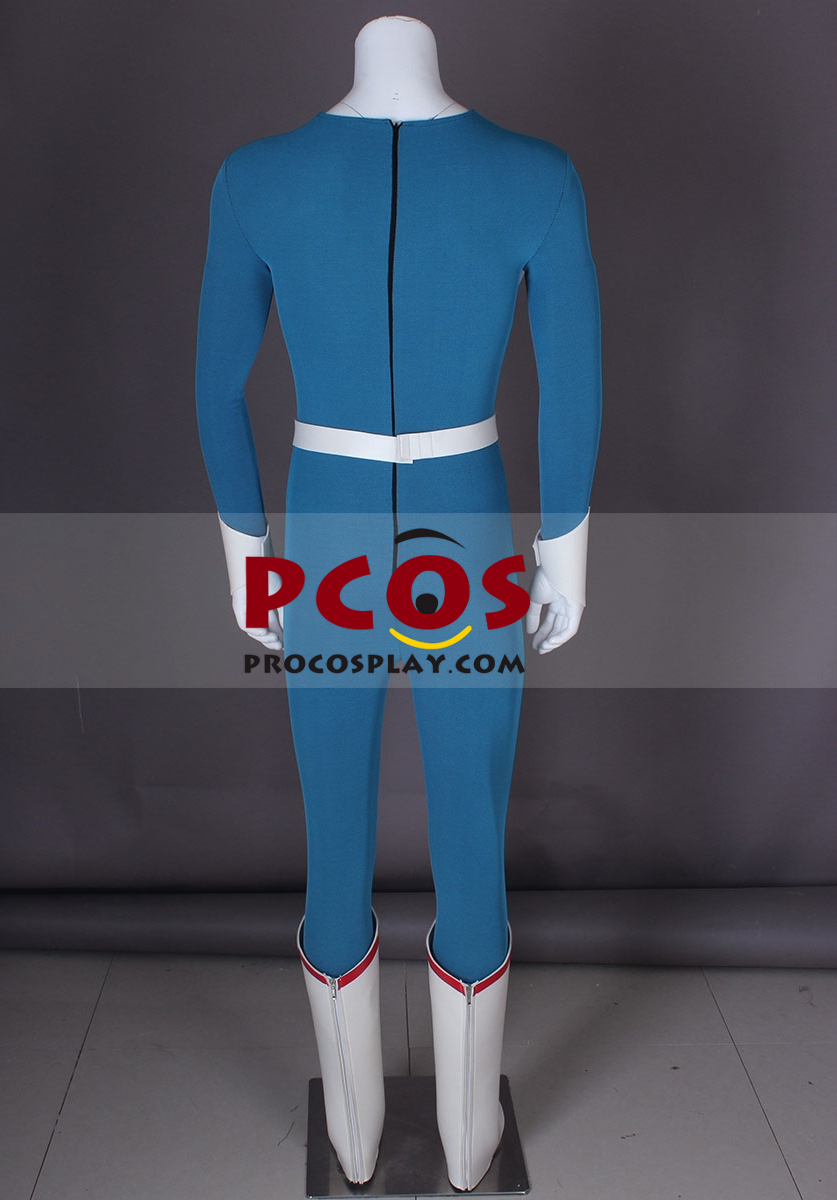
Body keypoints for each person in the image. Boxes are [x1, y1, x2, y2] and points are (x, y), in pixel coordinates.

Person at [194, 14, 601, 1190]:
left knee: (334, 829)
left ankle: (355, 1140)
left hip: (322, 520)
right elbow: (573, 381)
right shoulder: (536, 176)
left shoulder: (256, 179)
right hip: (464, 522)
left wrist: (244, 544)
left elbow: (215, 389)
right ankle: (471, 1147)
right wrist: (565, 547)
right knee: (471, 823)